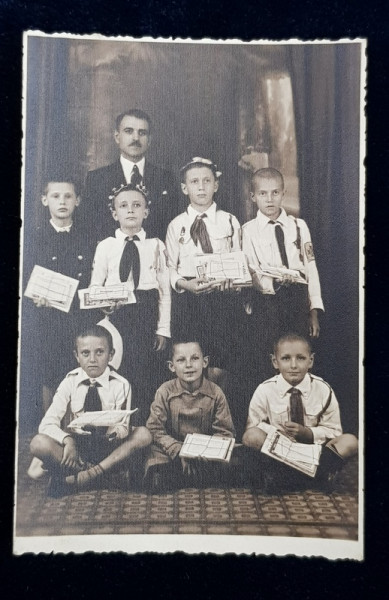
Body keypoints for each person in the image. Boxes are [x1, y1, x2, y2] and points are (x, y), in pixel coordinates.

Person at [29, 325, 151, 496]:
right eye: (86, 353)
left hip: (109, 448)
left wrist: (114, 434)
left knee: (144, 434)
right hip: (78, 449)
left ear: (111, 355)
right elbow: (47, 423)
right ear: (76, 356)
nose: (92, 359)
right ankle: (103, 476)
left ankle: (85, 477)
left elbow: (124, 426)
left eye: (100, 352)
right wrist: (68, 441)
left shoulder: (121, 384)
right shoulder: (69, 382)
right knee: (38, 443)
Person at [89, 182, 171, 424]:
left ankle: (144, 427)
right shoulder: (105, 246)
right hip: (116, 315)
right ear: (115, 213)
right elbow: (95, 286)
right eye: (123, 206)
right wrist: (104, 304)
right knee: (118, 369)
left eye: (137, 205)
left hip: (146, 313)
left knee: (143, 371)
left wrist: (162, 329)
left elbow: (165, 292)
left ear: (146, 211)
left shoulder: (156, 245)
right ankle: (116, 426)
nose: (131, 210)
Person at [242, 334, 358, 493]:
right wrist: (278, 435)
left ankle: (287, 480)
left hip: (315, 452)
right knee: (251, 436)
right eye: (286, 358)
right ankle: (317, 478)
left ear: (311, 360)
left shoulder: (323, 389)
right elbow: (253, 427)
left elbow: (334, 431)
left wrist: (308, 433)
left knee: (350, 442)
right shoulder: (265, 390)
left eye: (301, 358)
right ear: (275, 362)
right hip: (280, 453)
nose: (294, 365)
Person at [165, 157, 242, 380]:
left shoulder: (229, 221)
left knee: (220, 365)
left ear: (215, 185)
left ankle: (219, 409)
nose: (201, 187)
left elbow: (238, 260)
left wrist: (232, 282)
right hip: (189, 301)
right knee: (193, 362)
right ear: (184, 188)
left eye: (207, 181)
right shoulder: (176, 225)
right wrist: (184, 284)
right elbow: (169, 267)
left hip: (222, 299)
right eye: (194, 181)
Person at [24, 178, 94, 413]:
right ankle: (49, 429)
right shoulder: (32, 238)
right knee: (50, 374)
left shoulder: (89, 238)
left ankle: (76, 429)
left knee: (79, 371)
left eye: (68, 196)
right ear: (45, 200)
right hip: (46, 320)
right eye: (55, 196)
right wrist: (35, 298)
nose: (62, 202)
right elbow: (24, 278)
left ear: (78, 200)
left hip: (80, 318)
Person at [145, 340, 235, 492]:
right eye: (181, 360)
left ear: (204, 362)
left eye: (194, 358)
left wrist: (202, 452)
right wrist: (178, 450)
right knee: (155, 458)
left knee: (232, 459)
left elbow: (225, 432)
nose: (189, 365)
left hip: (204, 451)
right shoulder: (165, 391)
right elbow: (154, 428)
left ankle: (192, 474)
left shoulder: (216, 392)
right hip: (173, 449)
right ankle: (173, 474)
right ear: (171, 366)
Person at [82, 108, 181, 243]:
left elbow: (173, 225)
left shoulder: (165, 179)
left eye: (142, 133)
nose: (136, 138)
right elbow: (89, 227)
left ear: (149, 140)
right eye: (129, 131)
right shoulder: (97, 179)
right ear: (117, 137)